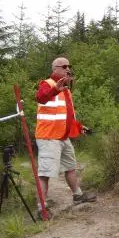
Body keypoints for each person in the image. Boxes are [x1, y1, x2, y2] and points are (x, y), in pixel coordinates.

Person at [34, 57, 97, 219]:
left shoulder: (66, 89)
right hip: (48, 137)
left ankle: (78, 195)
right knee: (45, 173)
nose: (68, 68)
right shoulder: (47, 84)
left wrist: (79, 127)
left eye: (69, 66)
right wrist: (56, 88)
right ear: (55, 69)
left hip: (62, 137)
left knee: (70, 167)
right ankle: (42, 208)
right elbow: (40, 97)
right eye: (64, 66)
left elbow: (66, 115)